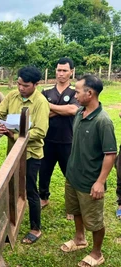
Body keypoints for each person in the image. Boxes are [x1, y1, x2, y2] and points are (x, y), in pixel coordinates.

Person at [0, 66, 49, 244]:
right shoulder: (12, 96)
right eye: (19, 84)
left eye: (25, 85)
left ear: (36, 84)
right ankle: (10, 224)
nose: (21, 88)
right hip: (13, 154)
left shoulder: (40, 102)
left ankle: (35, 228)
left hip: (31, 154)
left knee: (30, 190)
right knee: (11, 189)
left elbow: (40, 131)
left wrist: (14, 135)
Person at [61, 75, 116, 267]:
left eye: (77, 91)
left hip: (90, 180)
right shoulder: (79, 114)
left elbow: (110, 154)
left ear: (89, 93)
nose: (74, 94)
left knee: (94, 220)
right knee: (75, 210)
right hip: (73, 175)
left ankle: (96, 252)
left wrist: (100, 181)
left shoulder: (103, 121)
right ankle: (79, 239)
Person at [39, 58, 79, 219]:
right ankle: (43, 198)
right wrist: (62, 109)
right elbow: (42, 113)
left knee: (70, 174)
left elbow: (74, 110)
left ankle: (72, 206)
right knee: (44, 171)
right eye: (58, 70)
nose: (60, 73)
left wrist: (50, 106)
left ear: (71, 72)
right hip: (47, 139)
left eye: (64, 70)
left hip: (68, 140)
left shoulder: (76, 91)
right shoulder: (46, 91)